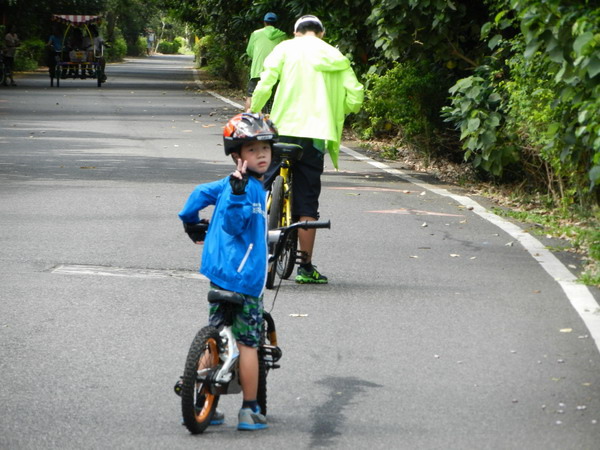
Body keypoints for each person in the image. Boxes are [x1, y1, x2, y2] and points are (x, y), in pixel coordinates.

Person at [178, 113, 277, 431]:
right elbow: (236, 225)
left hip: (219, 273)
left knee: (219, 334)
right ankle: (249, 410)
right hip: (245, 278)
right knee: (248, 343)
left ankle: (197, 394)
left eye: (265, 148)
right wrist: (236, 197)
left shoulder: (227, 183)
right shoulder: (245, 188)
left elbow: (197, 195)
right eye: (252, 149)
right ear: (237, 155)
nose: (261, 154)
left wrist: (190, 221)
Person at [249, 15, 364, 284]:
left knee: (261, 185)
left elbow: (265, 83)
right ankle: (305, 267)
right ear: (322, 34)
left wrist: (253, 110)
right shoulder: (335, 55)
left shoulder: (285, 48)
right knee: (307, 201)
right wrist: (338, 110)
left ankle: (252, 247)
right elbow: (356, 97)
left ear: (295, 32)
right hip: (316, 135)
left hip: (283, 130)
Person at [244, 12, 287, 111]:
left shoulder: (256, 34)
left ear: (264, 22)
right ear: (276, 23)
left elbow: (249, 51)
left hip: (257, 72)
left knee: (250, 97)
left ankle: (247, 121)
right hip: (276, 73)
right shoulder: (282, 35)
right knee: (276, 100)